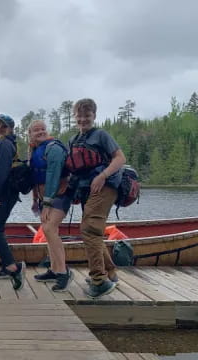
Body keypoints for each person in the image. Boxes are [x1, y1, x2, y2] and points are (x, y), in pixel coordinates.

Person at [67, 98, 126, 298]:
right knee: (91, 230)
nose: (83, 119)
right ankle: (110, 273)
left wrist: (103, 175)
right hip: (86, 190)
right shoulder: (74, 140)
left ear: (94, 116)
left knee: (90, 229)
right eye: (79, 115)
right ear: (74, 117)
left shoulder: (101, 135)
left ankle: (99, 280)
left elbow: (120, 158)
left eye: (87, 115)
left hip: (105, 187)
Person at [28, 120, 73, 292]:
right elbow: (35, 178)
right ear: (30, 134)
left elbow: (53, 177)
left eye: (43, 129)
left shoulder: (53, 148)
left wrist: (46, 204)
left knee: (49, 229)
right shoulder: (34, 150)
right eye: (36, 130)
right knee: (48, 230)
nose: (41, 132)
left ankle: (63, 272)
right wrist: (35, 200)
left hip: (60, 195)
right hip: (44, 198)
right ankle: (54, 270)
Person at [0, 114, 26, 290]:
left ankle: (13, 267)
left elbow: (0, 172)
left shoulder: (4, 144)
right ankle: (7, 266)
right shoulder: (0, 143)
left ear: (9, 129)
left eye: (3, 125)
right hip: (5, 193)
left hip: (4, 194)